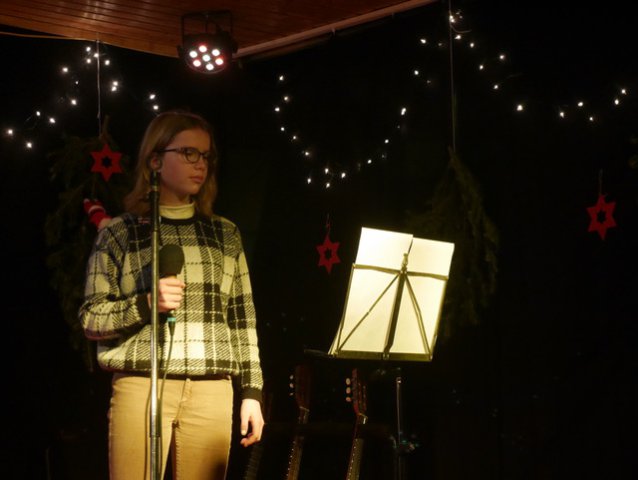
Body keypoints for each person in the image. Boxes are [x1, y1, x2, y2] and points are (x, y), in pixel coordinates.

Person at [79, 110, 264, 479]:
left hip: (212, 389)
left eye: (206, 155)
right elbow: (91, 318)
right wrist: (146, 304)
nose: (201, 164)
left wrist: (252, 392)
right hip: (141, 383)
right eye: (189, 153)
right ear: (156, 160)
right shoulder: (120, 233)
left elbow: (242, 320)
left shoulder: (225, 234)